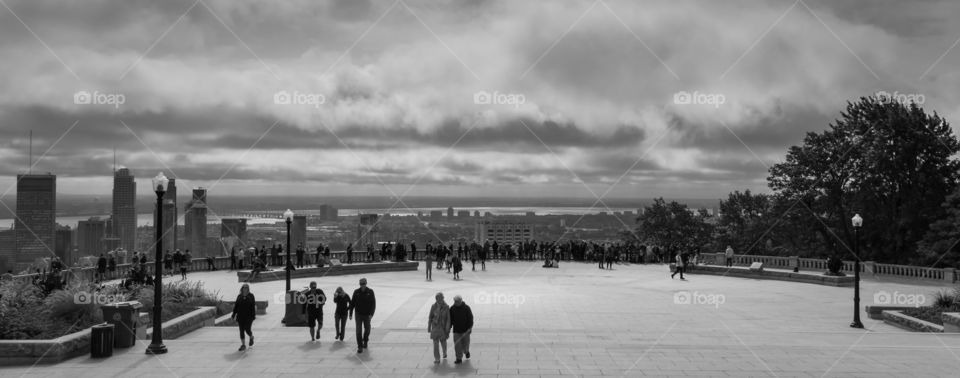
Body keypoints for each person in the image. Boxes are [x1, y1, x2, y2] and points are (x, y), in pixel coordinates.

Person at [349, 277, 376, 353]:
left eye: (363, 284)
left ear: (366, 283)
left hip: (367, 315)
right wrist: (350, 314)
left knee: (367, 329)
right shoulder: (356, 292)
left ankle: (365, 340)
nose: (362, 285)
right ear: (359, 284)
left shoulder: (370, 292)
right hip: (358, 314)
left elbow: (373, 304)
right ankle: (360, 346)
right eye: (361, 284)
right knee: (358, 331)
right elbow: (352, 304)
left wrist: (371, 314)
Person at [231, 283, 256, 351]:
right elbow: (236, 306)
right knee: (241, 330)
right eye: (244, 287)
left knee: (247, 329)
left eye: (246, 287)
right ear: (242, 289)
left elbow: (253, 306)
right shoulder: (239, 296)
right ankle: (243, 345)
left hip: (249, 316)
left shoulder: (251, 296)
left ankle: (251, 337)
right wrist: (233, 314)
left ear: (248, 289)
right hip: (240, 316)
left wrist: (253, 315)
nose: (245, 289)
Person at [449, 295, 473, 364]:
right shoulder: (452, 308)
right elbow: (450, 320)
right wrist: (449, 327)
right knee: (457, 345)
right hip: (456, 331)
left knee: (466, 344)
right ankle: (458, 358)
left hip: (465, 330)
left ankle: (466, 351)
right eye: (455, 301)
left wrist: (470, 328)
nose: (456, 302)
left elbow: (470, 319)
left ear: (461, 301)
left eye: (457, 301)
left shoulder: (466, 308)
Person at [428, 292, 451, 364]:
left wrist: (447, 329)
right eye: (441, 298)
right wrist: (429, 327)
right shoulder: (433, 306)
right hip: (435, 327)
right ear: (437, 299)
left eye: (443, 298)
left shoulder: (446, 306)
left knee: (443, 341)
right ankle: (437, 358)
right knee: (435, 344)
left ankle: (444, 352)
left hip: (442, 327)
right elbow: (430, 317)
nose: (443, 299)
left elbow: (448, 319)